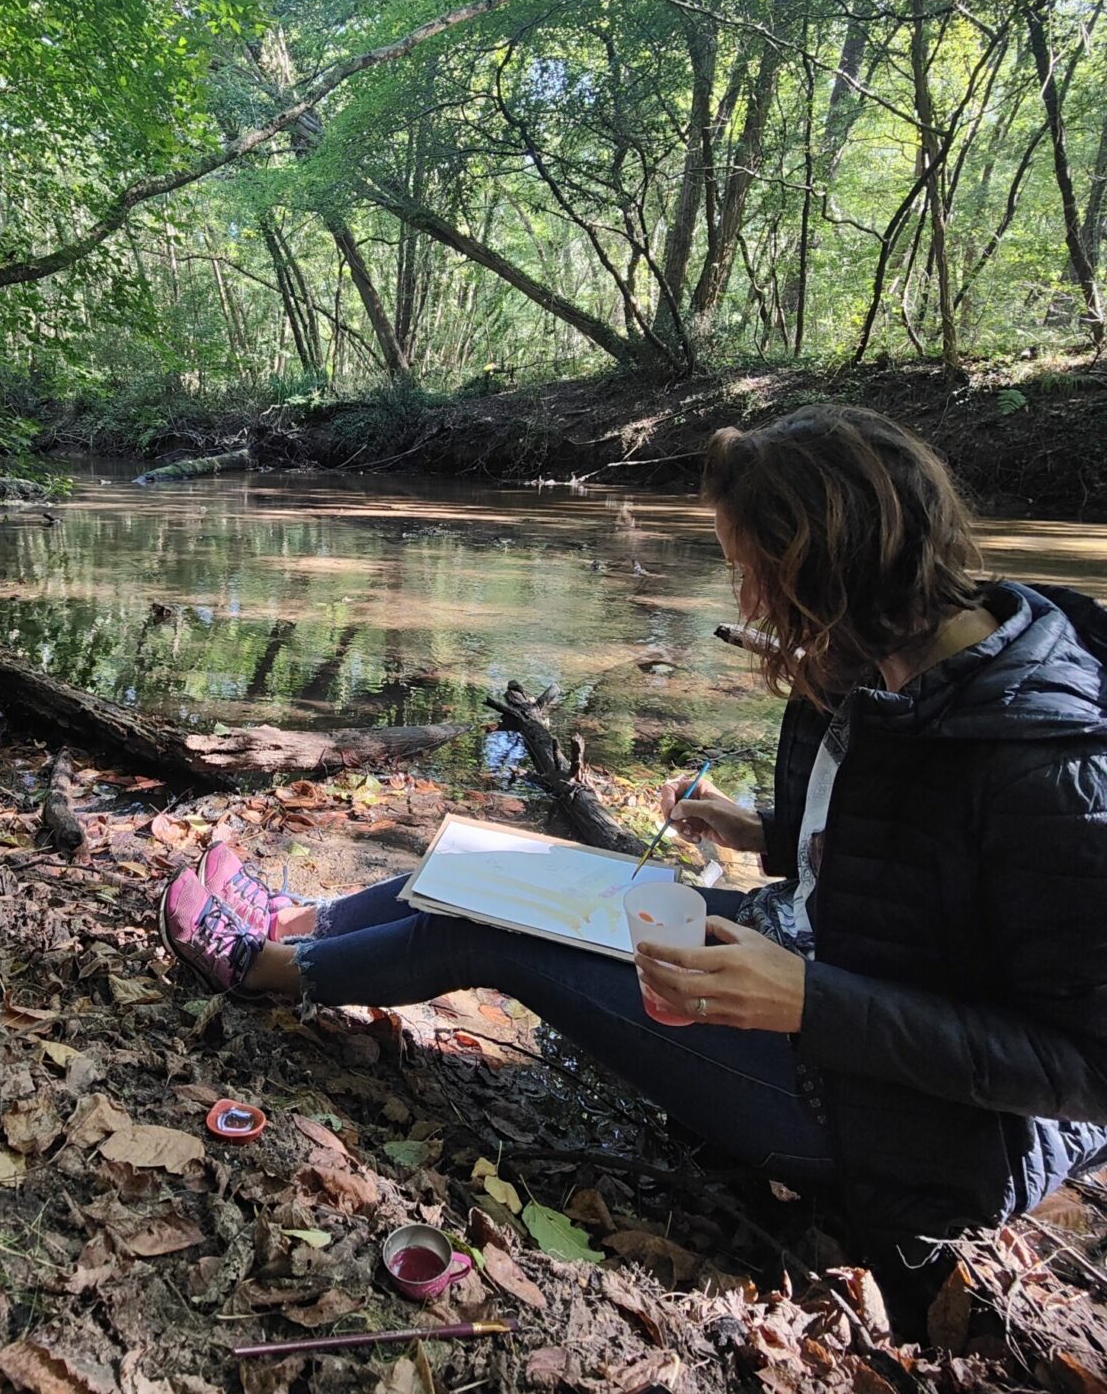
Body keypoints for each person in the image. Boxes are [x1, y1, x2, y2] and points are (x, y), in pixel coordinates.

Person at [156, 405, 1107, 1253]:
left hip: (912, 1134)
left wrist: (810, 1001)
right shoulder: (888, 655)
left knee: (493, 930)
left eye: (747, 571)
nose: (745, 601)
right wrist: (767, 834)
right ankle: (300, 919)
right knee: (498, 867)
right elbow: (912, 864)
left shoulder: (1047, 764)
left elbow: (1084, 1070)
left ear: (820, 568)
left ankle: (271, 974)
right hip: (820, 969)